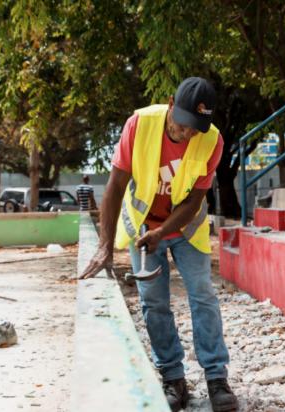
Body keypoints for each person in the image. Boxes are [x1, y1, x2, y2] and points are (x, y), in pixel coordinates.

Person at [78, 77, 238, 412]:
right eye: (184, 125)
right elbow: (115, 186)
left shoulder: (213, 141)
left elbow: (195, 200)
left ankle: (216, 377)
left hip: (185, 227)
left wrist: (164, 231)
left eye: (197, 127)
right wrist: (105, 245)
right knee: (154, 302)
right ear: (170, 104)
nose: (188, 134)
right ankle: (173, 377)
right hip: (142, 229)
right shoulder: (139, 125)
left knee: (203, 295)